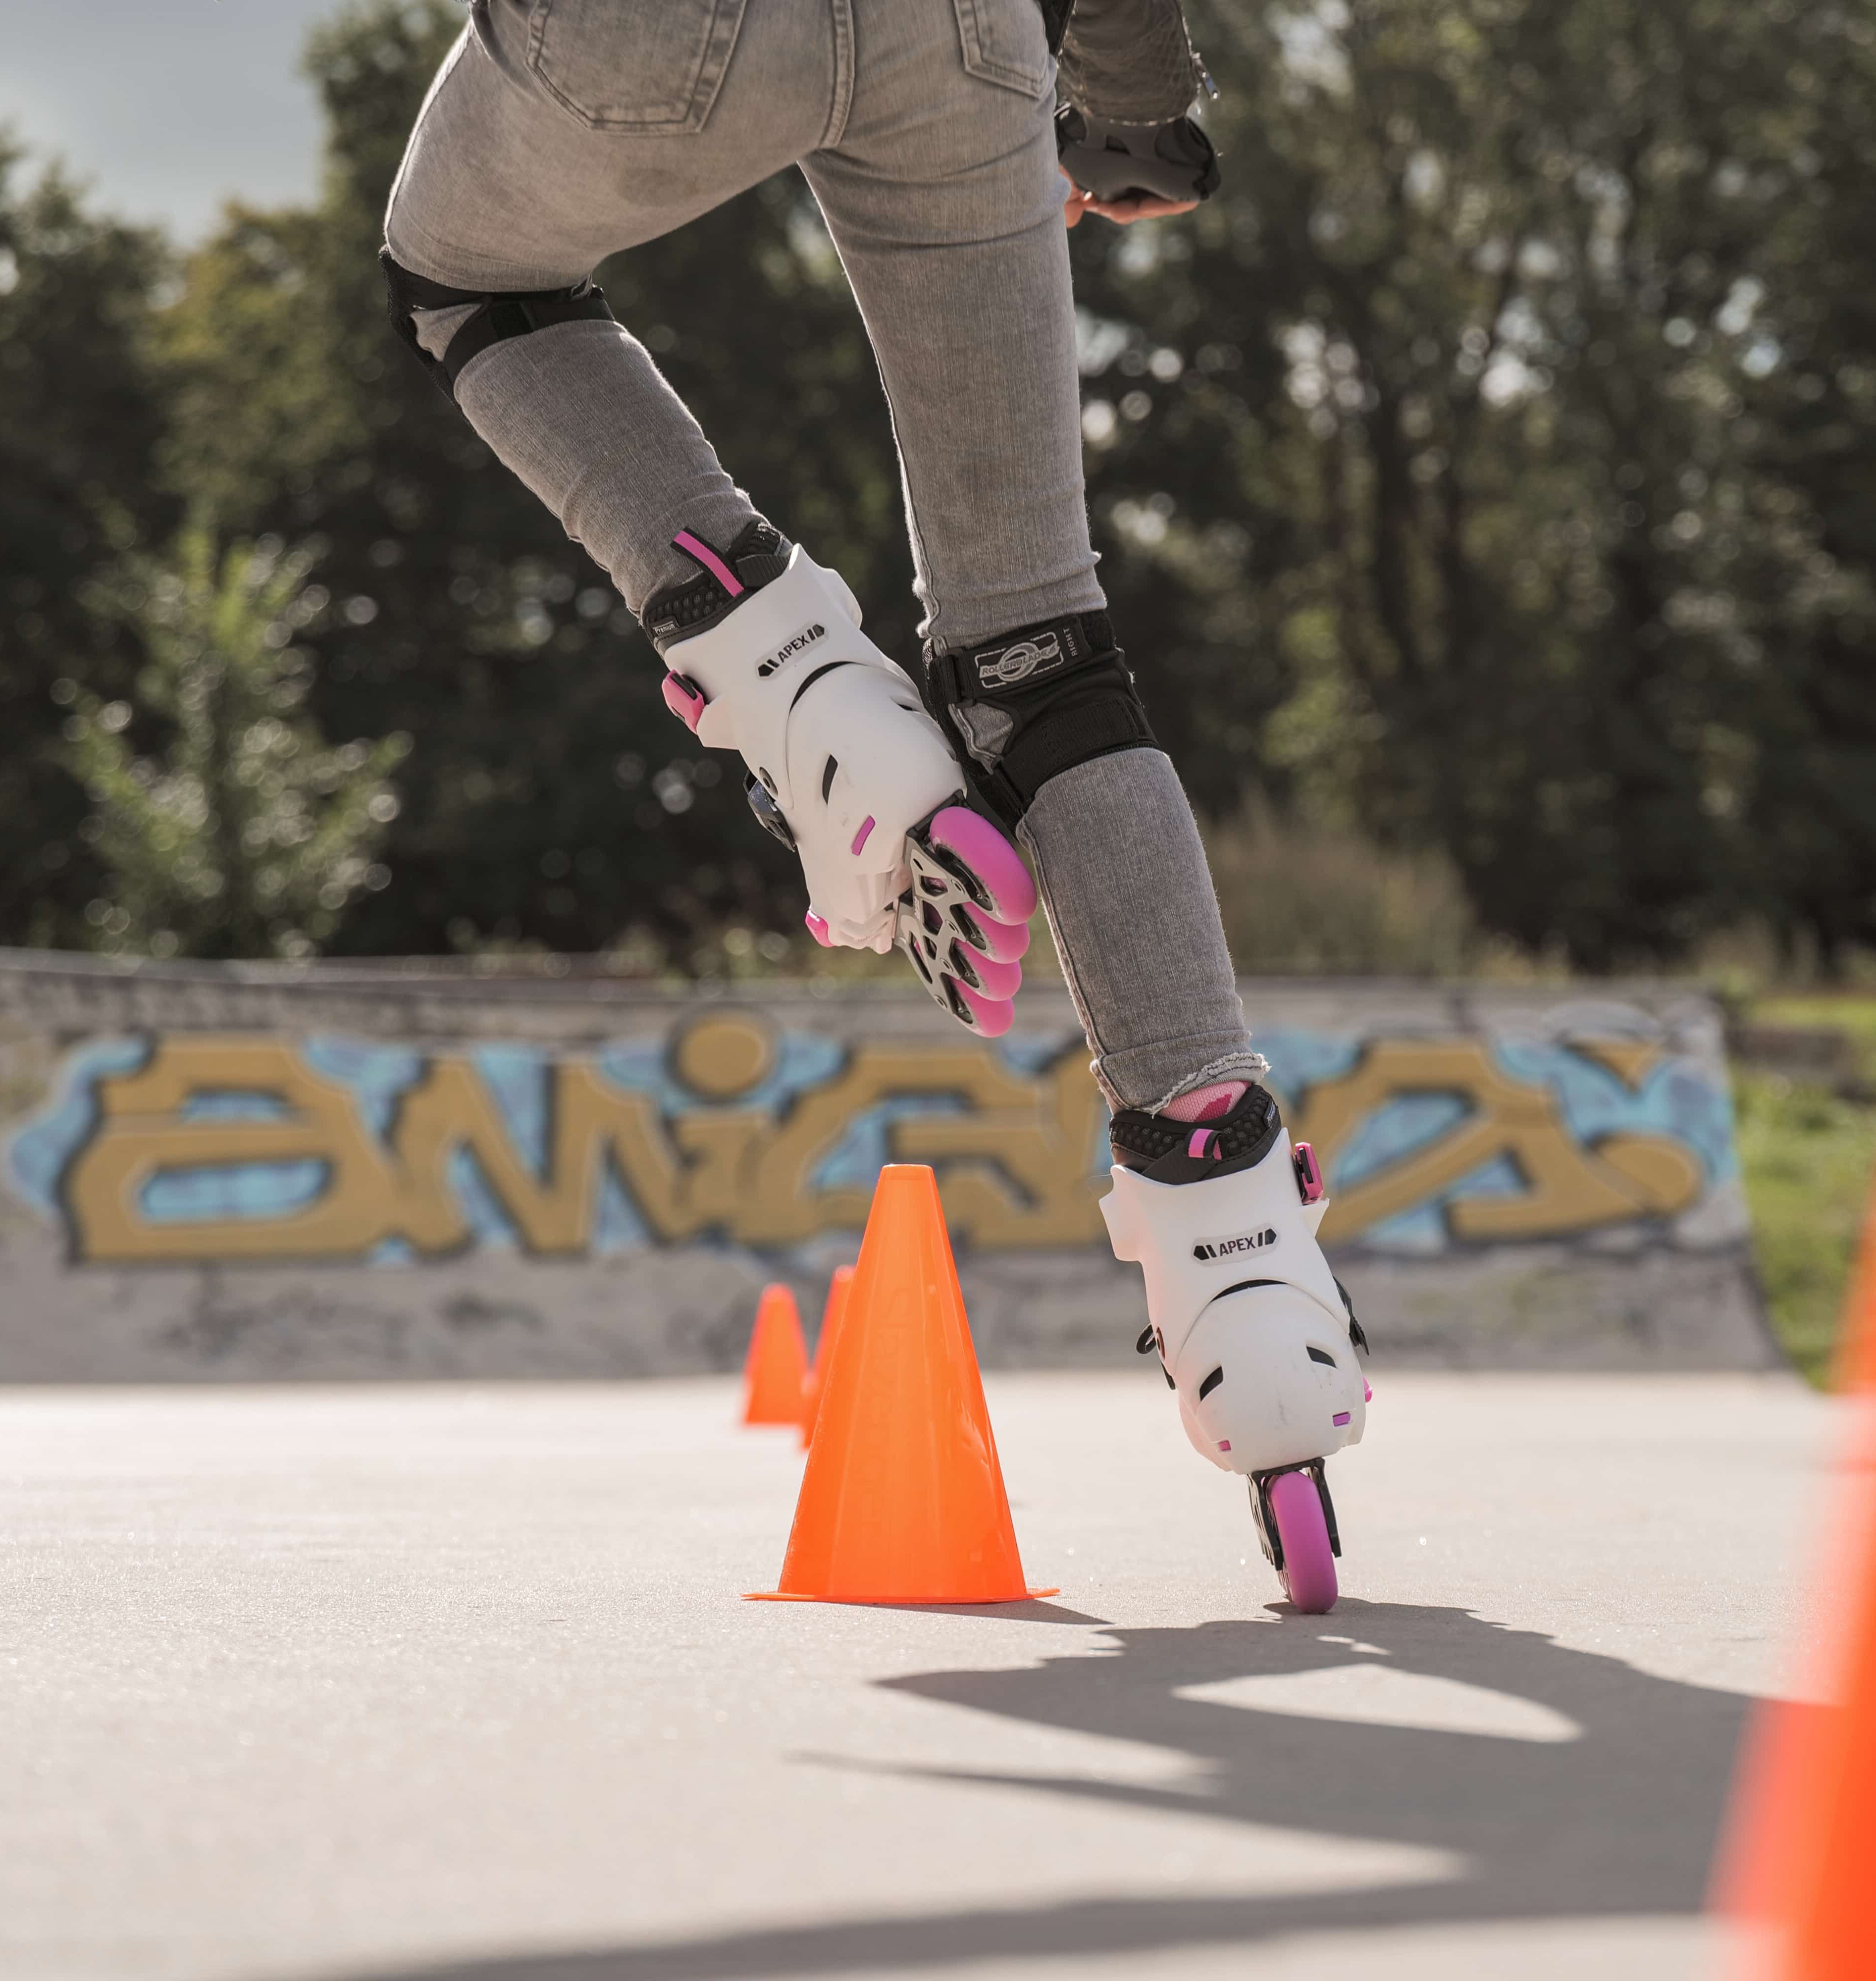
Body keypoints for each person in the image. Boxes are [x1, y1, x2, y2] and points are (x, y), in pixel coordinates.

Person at [380, 0, 1367, 1606]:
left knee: (467, 276)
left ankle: (795, 682)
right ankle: (1239, 1255)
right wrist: (1128, 112)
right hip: (961, 42)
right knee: (1043, 651)